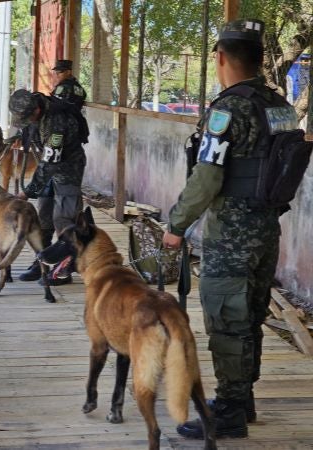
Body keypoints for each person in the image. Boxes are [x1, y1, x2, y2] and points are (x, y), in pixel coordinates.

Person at [162, 19, 296, 440]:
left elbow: (207, 177)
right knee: (250, 316)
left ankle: (231, 410)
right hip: (267, 229)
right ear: (259, 59)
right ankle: (244, 398)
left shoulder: (226, 109)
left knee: (226, 318)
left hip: (231, 234)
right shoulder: (281, 106)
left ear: (220, 58)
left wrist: (177, 225)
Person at [10, 88, 89, 285]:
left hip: (68, 169)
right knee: (44, 216)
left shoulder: (57, 121)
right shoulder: (36, 107)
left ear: (36, 111)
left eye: (29, 118)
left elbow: (51, 160)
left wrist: (28, 191)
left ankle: (63, 268)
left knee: (64, 219)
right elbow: (33, 136)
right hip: (47, 170)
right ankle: (42, 262)